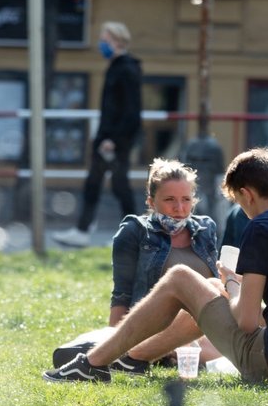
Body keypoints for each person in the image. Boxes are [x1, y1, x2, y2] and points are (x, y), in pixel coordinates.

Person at [44, 147, 268, 383]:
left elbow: (248, 322)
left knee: (182, 277)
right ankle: (135, 358)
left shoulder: (262, 226)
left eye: (238, 202)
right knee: (208, 287)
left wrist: (234, 284)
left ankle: (91, 365)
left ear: (247, 194)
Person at [51, 158, 223, 373]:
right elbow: (122, 294)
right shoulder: (135, 230)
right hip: (154, 330)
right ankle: (146, 354)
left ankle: (171, 355)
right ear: (151, 202)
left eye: (186, 199)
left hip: (199, 328)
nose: (179, 208)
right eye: (169, 199)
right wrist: (113, 343)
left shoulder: (205, 228)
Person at [54, 22, 142, 247]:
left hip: (114, 141)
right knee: (101, 184)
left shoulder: (126, 69)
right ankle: (89, 230)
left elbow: (130, 110)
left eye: (105, 40)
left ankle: (134, 234)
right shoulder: (117, 67)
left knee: (116, 186)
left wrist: (112, 139)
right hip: (109, 139)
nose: (101, 45)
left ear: (118, 41)